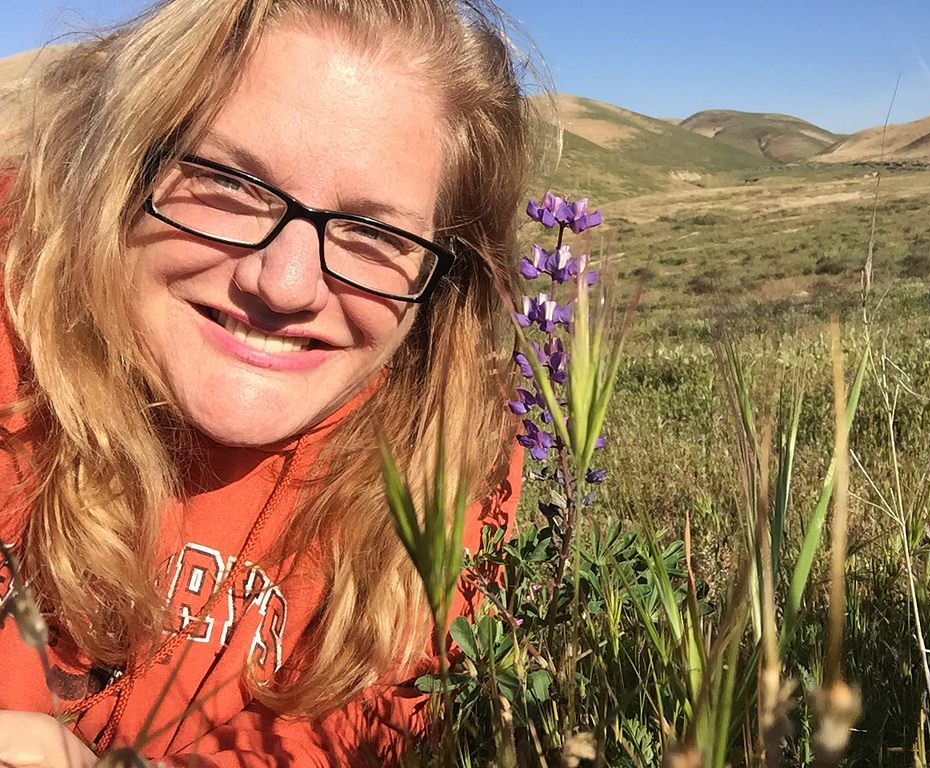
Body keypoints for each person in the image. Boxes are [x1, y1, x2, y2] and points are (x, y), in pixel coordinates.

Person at [0, 0, 533, 765]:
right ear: (121, 162)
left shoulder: (454, 457)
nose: (284, 284)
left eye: (374, 233)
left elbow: (366, 718)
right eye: (230, 183)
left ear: (440, 275)